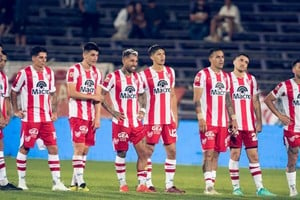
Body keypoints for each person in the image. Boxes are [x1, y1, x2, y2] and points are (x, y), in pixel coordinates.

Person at [11, 46, 69, 191]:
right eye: (41, 57)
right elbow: (14, 92)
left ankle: (57, 183)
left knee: (53, 147)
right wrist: (16, 110)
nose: (44, 60)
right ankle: (22, 182)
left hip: (46, 118)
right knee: (25, 148)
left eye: (45, 58)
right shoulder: (24, 73)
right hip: (30, 118)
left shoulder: (49, 73)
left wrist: (54, 112)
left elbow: (53, 93)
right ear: (33, 58)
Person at [100, 48, 151, 193]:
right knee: (122, 153)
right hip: (121, 123)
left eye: (136, 60)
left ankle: (142, 185)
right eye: (131, 60)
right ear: (124, 60)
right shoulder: (113, 77)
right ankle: (123, 184)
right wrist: (112, 111)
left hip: (136, 123)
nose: (134, 63)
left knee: (144, 153)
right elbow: (100, 95)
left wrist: (142, 111)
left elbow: (142, 95)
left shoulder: (138, 77)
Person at [228, 53, 275, 196]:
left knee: (254, 155)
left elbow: (255, 101)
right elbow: (226, 100)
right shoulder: (227, 78)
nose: (243, 63)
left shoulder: (251, 80)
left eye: (246, 62)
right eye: (241, 60)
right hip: (234, 125)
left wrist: (259, 121)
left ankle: (260, 188)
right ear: (234, 61)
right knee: (235, 153)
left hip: (249, 125)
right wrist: (231, 119)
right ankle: (236, 188)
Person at [139, 44, 185, 193]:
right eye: (159, 54)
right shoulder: (144, 75)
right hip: (152, 118)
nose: (162, 56)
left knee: (172, 151)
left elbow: (172, 95)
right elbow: (139, 96)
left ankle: (169, 185)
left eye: (163, 54)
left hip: (168, 119)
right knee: (148, 151)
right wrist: (141, 111)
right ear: (152, 57)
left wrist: (175, 116)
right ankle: (148, 183)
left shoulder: (170, 72)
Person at [193, 48, 237, 195]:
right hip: (208, 121)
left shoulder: (226, 77)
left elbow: (228, 100)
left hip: (223, 122)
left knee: (217, 154)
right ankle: (208, 186)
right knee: (208, 153)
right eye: (218, 57)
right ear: (210, 58)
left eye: (223, 57)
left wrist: (233, 118)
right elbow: (196, 99)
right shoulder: (202, 74)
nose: (221, 59)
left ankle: (212, 185)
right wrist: (200, 117)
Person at [66, 42, 102, 192]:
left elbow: (98, 97)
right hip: (77, 114)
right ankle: (81, 182)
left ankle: (73, 183)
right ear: (84, 54)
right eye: (92, 55)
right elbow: (71, 92)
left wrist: (97, 117)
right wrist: (91, 95)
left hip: (91, 116)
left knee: (85, 150)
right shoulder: (74, 70)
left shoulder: (97, 73)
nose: (95, 58)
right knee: (79, 148)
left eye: (97, 55)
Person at [264, 59, 300, 197]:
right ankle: (292, 189)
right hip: (292, 128)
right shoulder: (285, 85)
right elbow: (268, 99)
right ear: (293, 70)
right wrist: (280, 115)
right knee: (293, 157)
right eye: (299, 67)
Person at [0, 51, 21, 190]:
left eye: (4, 60)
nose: (3, 62)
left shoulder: (3, 78)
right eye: (1, 59)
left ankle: (3, 181)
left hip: (1, 118)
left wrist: (7, 114)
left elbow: (5, 98)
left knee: (0, 148)